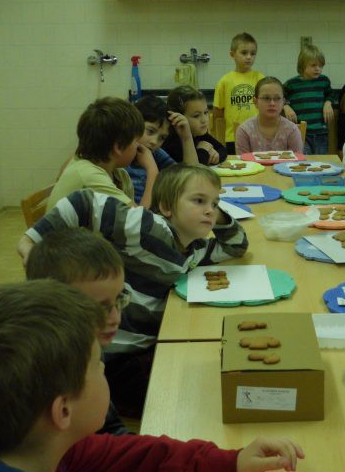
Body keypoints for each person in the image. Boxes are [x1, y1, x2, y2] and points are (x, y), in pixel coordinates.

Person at [0, 280, 304, 472]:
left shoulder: (24, 446)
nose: (105, 369)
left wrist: (230, 462)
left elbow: (132, 458)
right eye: (98, 365)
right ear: (62, 411)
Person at [18, 164, 248, 339]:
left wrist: (214, 210)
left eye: (214, 204)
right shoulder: (148, 227)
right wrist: (30, 241)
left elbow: (237, 246)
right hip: (120, 345)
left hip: (151, 335)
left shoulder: (195, 249)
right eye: (199, 200)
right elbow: (83, 203)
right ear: (166, 207)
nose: (210, 211)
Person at [26, 227, 148, 426]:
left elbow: (110, 427)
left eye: (119, 299)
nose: (115, 318)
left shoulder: (89, 345)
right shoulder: (53, 377)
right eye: (98, 308)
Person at [48, 97, 143, 209]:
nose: (139, 147)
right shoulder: (88, 175)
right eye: (136, 142)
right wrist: (152, 171)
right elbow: (140, 218)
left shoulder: (119, 174)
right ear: (119, 147)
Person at [125, 95, 198, 207]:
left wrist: (186, 138)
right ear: (133, 124)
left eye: (162, 138)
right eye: (150, 131)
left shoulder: (155, 153)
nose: (154, 142)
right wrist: (151, 168)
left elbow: (192, 180)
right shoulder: (119, 161)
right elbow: (138, 215)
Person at [213, 32, 264, 153]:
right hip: (233, 137)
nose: (249, 57)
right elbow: (217, 111)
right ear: (232, 54)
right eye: (244, 53)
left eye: (253, 53)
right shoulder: (224, 81)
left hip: (257, 134)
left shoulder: (260, 79)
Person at [282, 44, 335, 155]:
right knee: (304, 161)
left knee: (321, 161)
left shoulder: (324, 81)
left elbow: (331, 94)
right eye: (313, 65)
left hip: (321, 132)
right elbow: (280, 96)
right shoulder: (292, 84)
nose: (318, 69)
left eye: (320, 66)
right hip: (301, 133)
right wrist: (286, 106)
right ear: (302, 65)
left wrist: (328, 102)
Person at [236, 77, 304, 154]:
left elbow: (297, 159)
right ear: (255, 101)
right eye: (266, 98)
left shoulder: (292, 130)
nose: (272, 103)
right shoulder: (244, 130)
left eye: (277, 98)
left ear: (283, 102)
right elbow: (243, 160)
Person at [165, 85, 227, 165]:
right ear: (177, 117)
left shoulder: (199, 133)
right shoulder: (173, 141)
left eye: (205, 112)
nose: (204, 120)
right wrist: (204, 150)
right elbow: (194, 168)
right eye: (196, 116)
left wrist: (216, 156)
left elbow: (222, 149)